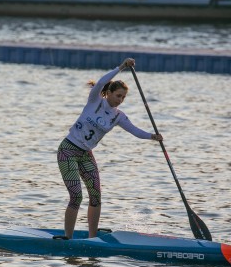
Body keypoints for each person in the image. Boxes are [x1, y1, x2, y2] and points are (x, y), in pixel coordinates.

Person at [57, 58, 163, 239]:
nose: (120, 100)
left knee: (96, 196)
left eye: (123, 97)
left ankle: (92, 238)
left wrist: (153, 137)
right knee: (76, 197)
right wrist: (121, 67)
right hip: (68, 150)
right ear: (109, 93)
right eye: (118, 95)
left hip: (85, 154)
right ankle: (67, 237)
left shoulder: (118, 116)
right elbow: (100, 82)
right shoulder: (95, 101)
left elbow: (135, 131)